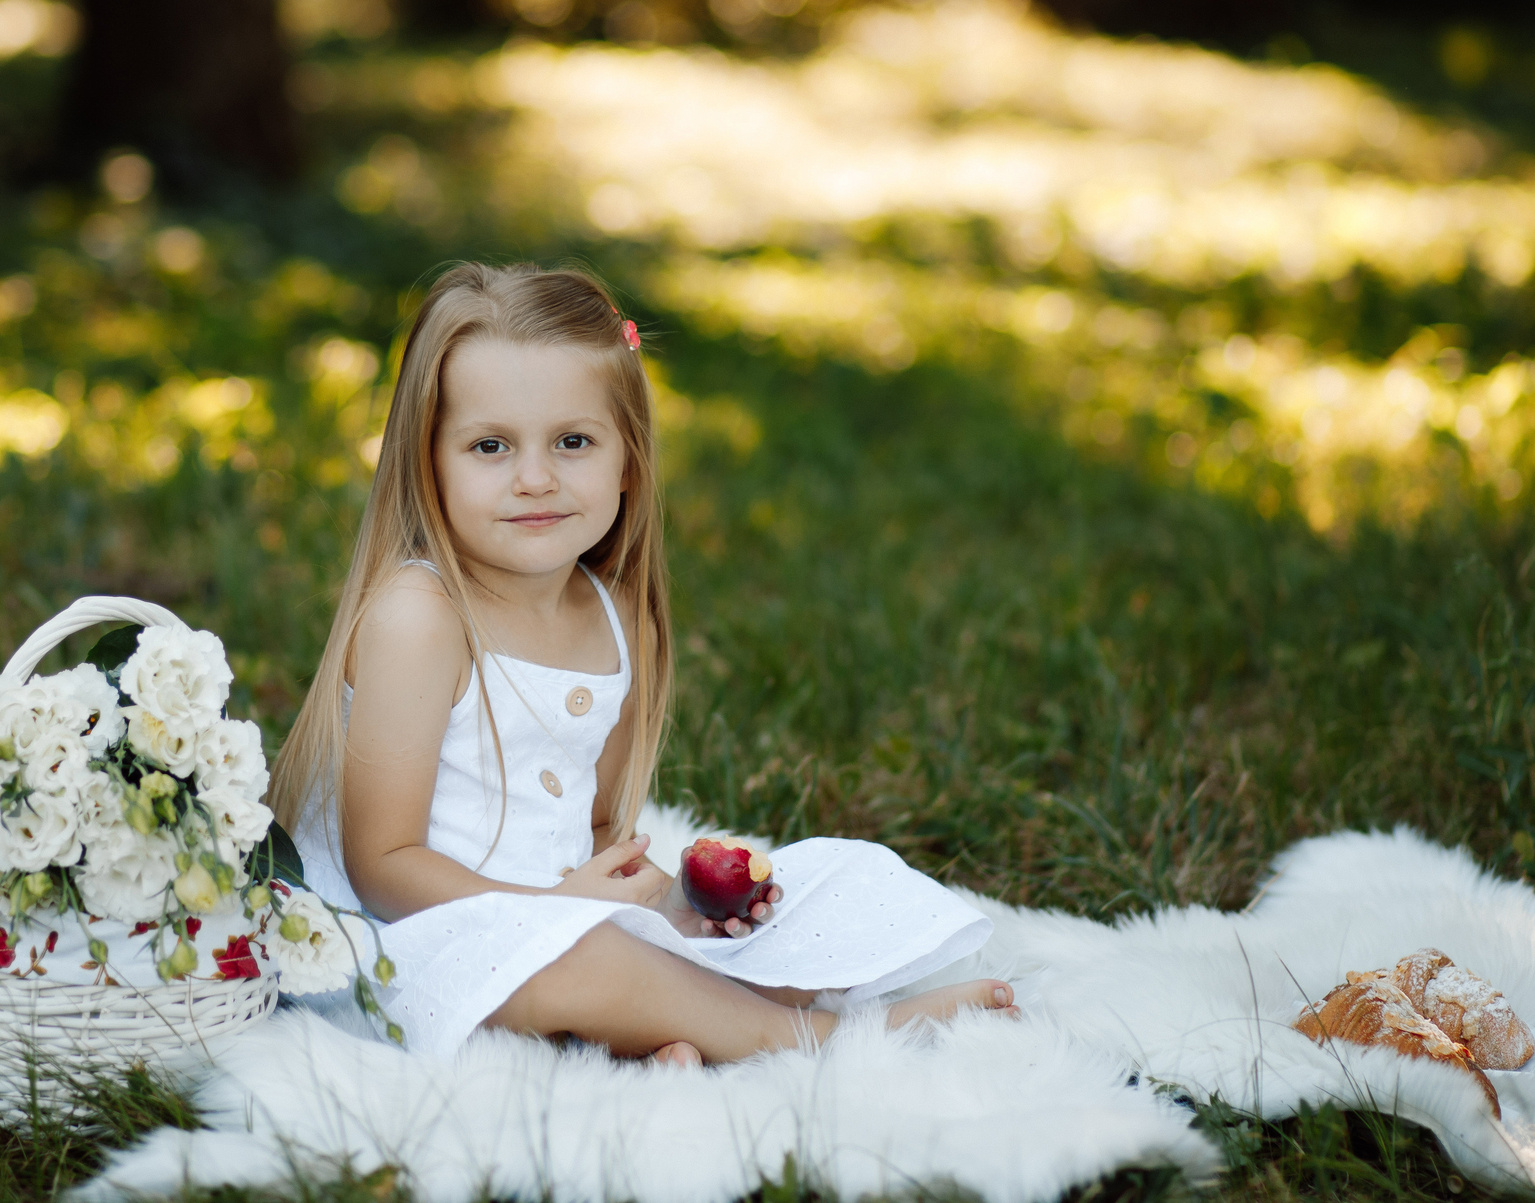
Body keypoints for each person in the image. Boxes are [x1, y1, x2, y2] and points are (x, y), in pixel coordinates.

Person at [267, 262, 1009, 1066]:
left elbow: (591, 831)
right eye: (490, 445)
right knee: (583, 963)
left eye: (574, 441)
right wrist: (554, 912)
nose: (535, 478)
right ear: (427, 463)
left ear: (628, 460)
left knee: (834, 883)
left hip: (565, 919)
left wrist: (672, 903)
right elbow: (382, 868)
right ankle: (820, 1041)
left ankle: (666, 1028)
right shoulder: (422, 616)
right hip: (411, 944)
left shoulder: (617, 620)